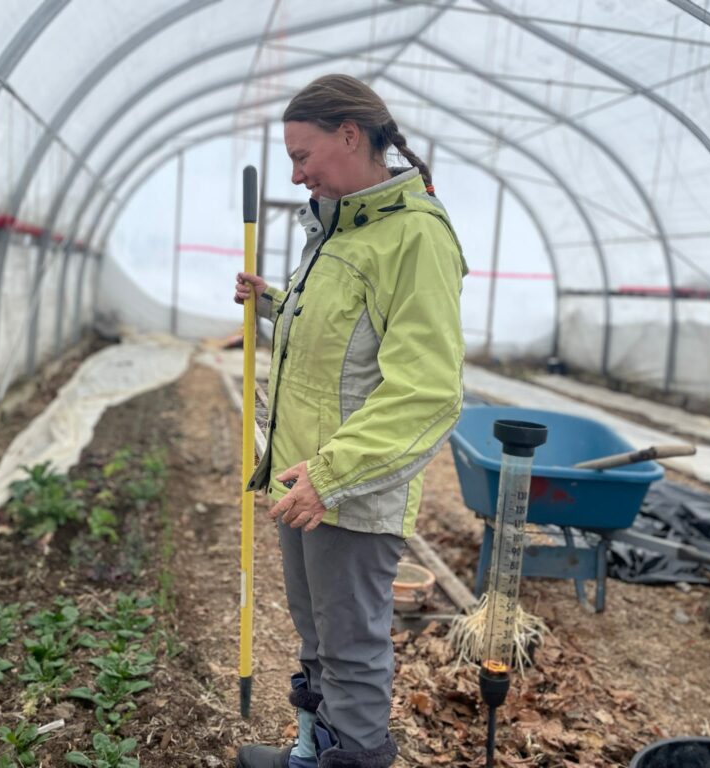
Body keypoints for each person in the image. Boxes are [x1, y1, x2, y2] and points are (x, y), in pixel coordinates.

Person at [232, 74, 467, 768]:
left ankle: (352, 757)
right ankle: (313, 750)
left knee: (352, 650)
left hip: (348, 491)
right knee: (316, 638)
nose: (296, 172)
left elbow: (427, 391)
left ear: (350, 135)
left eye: (303, 155)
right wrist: (276, 303)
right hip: (305, 482)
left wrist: (331, 476)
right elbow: (344, 340)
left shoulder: (414, 238)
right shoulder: (340, 227)